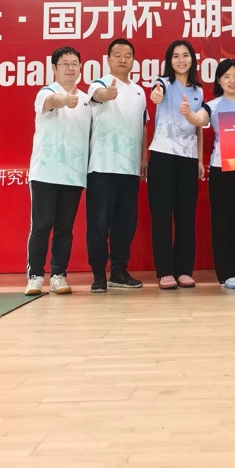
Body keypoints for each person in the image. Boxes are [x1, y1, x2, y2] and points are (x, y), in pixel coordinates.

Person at [181, 58, 235, 289]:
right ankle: (226, 274)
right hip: (221, 169)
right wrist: (188, 113)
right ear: (219, 80)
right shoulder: (213, 105)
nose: (232, 80)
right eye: (226, 76)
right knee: (222, 222)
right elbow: (199, 119)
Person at [25, 46, 92, 296]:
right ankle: (35, 276)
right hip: (45, 173)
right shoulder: (46, 92)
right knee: (42, 226)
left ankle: (58, 275)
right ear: (54, 68)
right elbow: (53, 102)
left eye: (74, 63)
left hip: (73, 175)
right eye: (64, 64)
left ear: (80, 67)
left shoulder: (87, 100)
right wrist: (65, 100)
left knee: (65, 229)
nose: (70, 68)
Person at [86, 38, 148, 293]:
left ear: (133, 60)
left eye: (128, 55)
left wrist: (143, 158)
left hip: (130, 168)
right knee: (99, 223)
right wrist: (107, 94)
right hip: (102, 167)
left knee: (125, 224)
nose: (123, 59)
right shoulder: (100, 84)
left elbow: (143, 126)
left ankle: (119, 271)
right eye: (118, 55)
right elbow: (97, 96)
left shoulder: (139, 91)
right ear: (108, 59)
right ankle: (98, 274)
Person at [148, 40, 205, 290]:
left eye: (185, 55)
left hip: (188, 159)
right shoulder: (163, 83)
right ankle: (165, 271)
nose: (181, 60)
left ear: (192, 59)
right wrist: (157, 94)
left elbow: (199, 127)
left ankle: (183, 270)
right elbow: (156, 92)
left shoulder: (198, 91)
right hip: (162, 156)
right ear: (169, 61)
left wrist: (200, 159)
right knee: (161, 215)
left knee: (185, 215)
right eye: (176, 56)